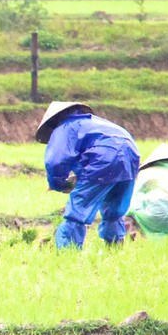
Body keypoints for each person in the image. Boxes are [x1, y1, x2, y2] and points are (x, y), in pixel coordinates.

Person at [36, 101, 139, 248]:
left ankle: (67, 252)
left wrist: (58, 184)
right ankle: (115, 247)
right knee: (115, 210)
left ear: (54, 121)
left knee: (77, 212)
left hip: (103, 159)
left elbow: (56, 161)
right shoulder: (98, 124)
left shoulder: (66, 127)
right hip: (131, 157)